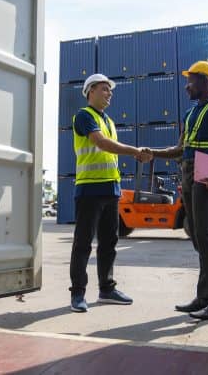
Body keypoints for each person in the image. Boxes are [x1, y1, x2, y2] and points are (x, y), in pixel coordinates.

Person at [148, 61, 208, 320]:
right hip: (187, 169)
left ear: (205, 80)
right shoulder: (189, 114)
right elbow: (178, 149)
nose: (186, 86)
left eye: (190, 80)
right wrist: (150, 152)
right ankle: (206, 296)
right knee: (199, 238)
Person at [69, 73, 152, 313]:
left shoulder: (109, 121)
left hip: (111, 189)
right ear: (90, 91)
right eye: (105, 89)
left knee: (109, 242)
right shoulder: (84, 116)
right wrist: (135, 151)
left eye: (110, 90)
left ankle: (106, 289)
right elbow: (101, 143)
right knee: (83, 243)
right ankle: (78, 294)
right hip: (89, 189)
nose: (109, 94)